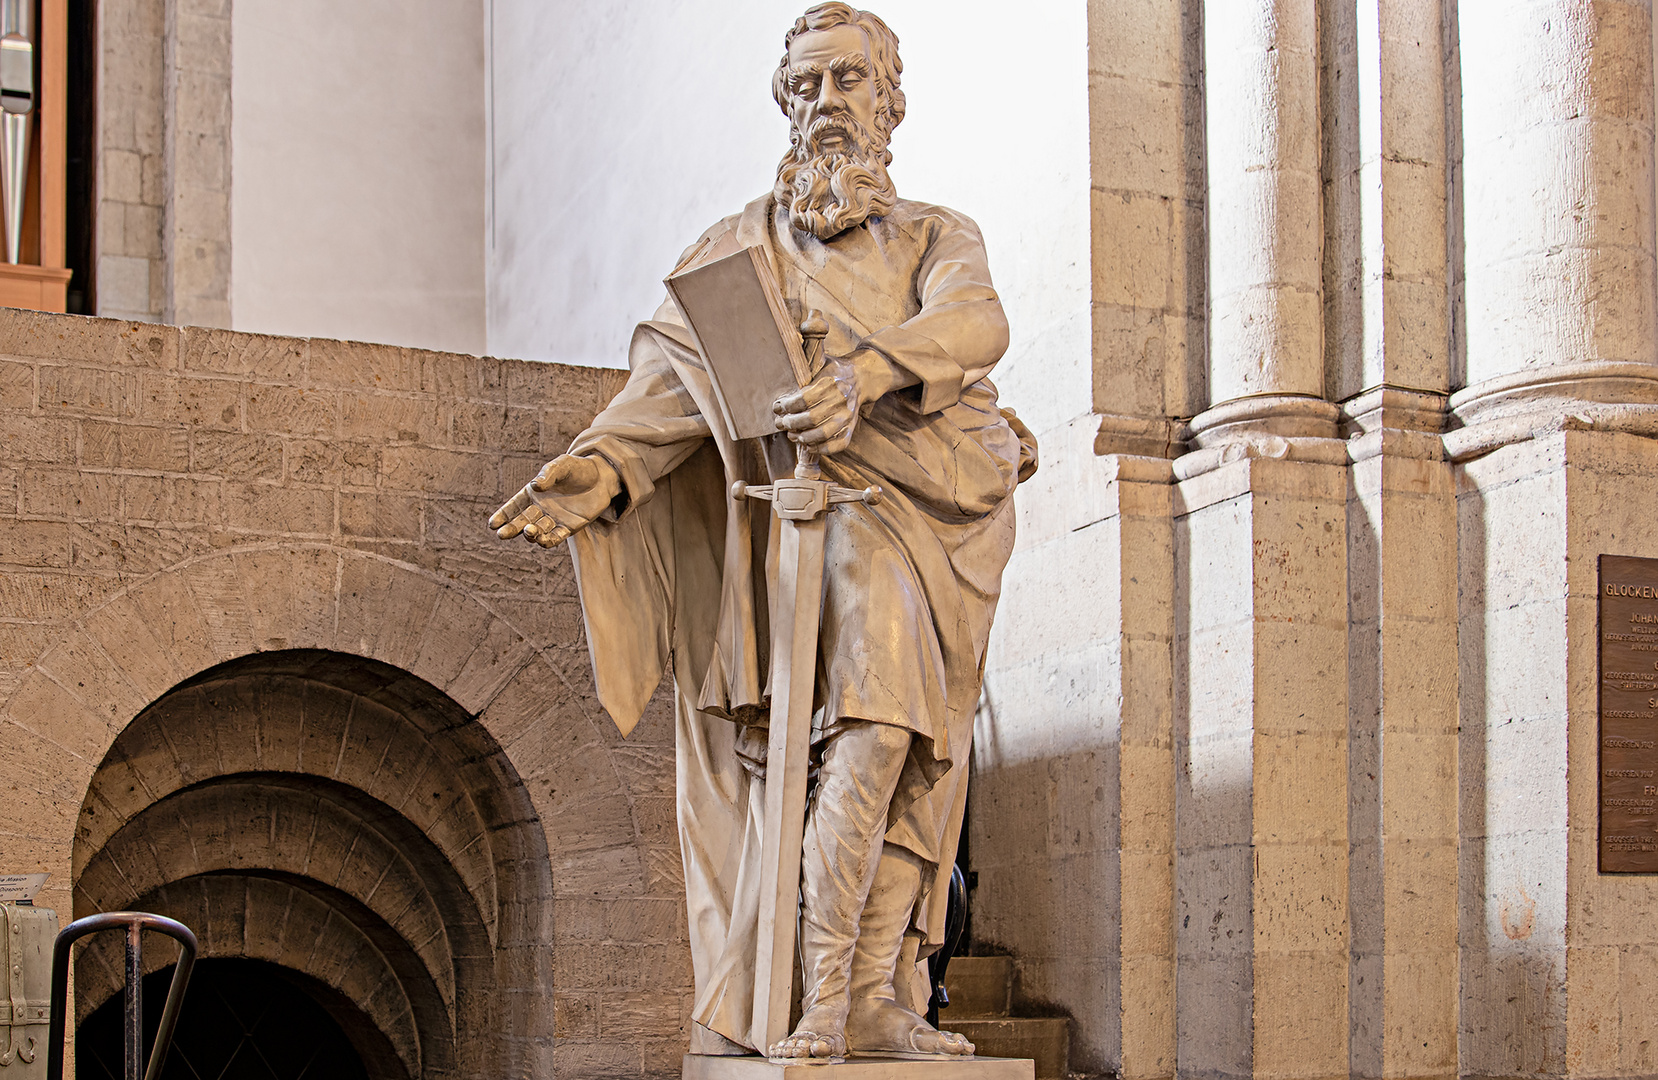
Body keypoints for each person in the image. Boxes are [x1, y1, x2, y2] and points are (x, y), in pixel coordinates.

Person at [490, 2, 1036, 1060]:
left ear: (889, 100)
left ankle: (875, 994)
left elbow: (979, 324)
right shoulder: (739, 251)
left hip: (935, 521)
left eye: (845, 82)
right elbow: (668, 385)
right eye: (806, 87)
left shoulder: (932, 233)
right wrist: (599, 472)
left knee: (916, 765)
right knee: (872, 731)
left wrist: (866, 372)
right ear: (784, 105)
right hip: (808, 530)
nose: (825, 104)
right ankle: (819, 999)